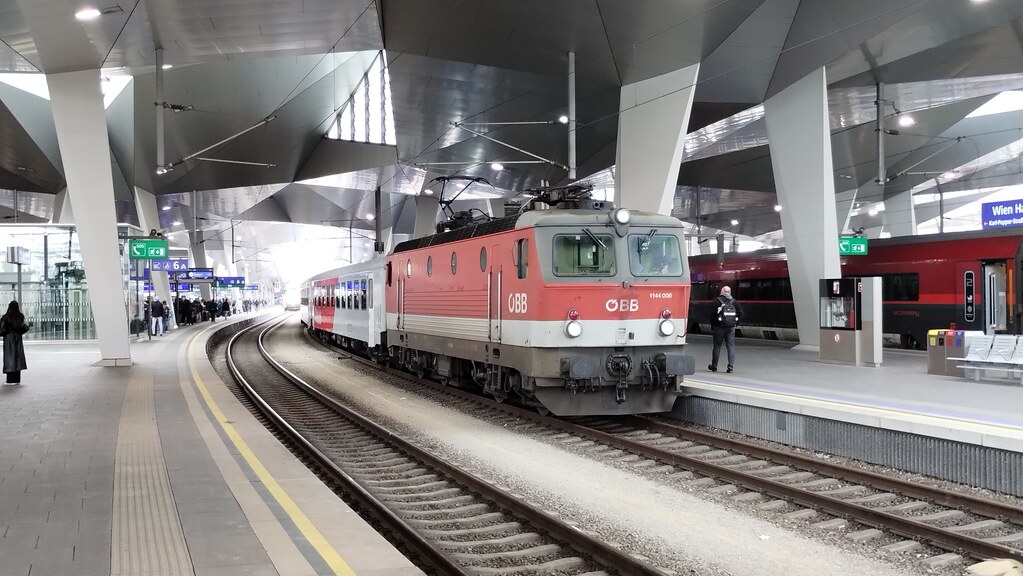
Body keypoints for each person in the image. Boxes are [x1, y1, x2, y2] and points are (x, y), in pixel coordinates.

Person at [708, 285, 742, 373]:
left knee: (717, 346)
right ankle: (730, 367)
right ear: (730, 292)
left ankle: (714, 366)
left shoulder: (716, 301)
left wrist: (713, 325)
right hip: (730, 328)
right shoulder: (734, 302)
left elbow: (711, 315)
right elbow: (740, 313)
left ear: (721, 291)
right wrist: (735, 324)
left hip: (718, 327)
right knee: (730, 347)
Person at [1, 300, 29, 384]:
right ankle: (17, 378)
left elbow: (1, 329)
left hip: (9, 339)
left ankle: (10, 379)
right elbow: (24, 327)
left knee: (9, 357)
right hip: (18, 339)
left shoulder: (6, 317)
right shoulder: (20, 316)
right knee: (17, 357)